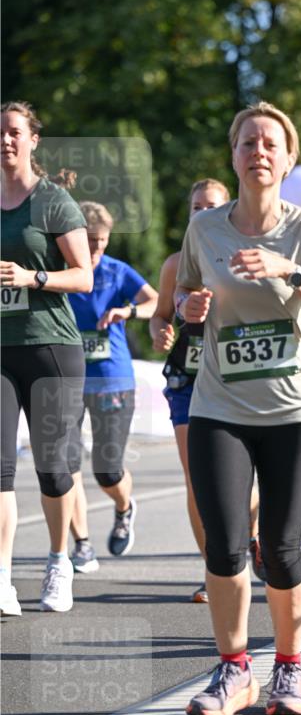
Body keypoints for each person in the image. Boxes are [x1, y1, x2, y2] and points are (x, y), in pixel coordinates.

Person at [176, 102, 301, 715]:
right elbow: (185, 290)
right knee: (225, 547)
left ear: (288, 159)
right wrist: (187, 309)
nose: (258, 151)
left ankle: (288, 669)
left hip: (294, 412)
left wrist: (292, 271)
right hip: (219, 405)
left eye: (270, 143)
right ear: (233, 155)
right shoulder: (206, 229)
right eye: (247, 142)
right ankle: (233, 672)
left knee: (279, 547)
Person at [1, 100, 92, 616]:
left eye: (14, 132)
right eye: (0, 133)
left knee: (55, 471)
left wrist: (31, 277)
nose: (6, 141)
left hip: (50, 347)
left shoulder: (52, 201)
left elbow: (84, 276)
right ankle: (2, 577)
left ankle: (59, 562)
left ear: (33, 139)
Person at [150, 178, 240, 602]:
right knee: (196, 479)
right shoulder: (174, 265)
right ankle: (213, 570)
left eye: (212, 206)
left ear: (227, 210)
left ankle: (250, 533)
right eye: (196, 207)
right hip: (187, 379)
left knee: (246, 480)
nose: (202, 214)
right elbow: (160, 315)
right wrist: (160, 331)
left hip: (235, 377)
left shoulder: (237, 259)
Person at [68, 202, 158, 571]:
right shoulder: (61, 271)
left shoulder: (116, 271)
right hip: (65, 379)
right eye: (89, 241)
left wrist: (128, 312)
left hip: (112, 379)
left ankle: (123, 506)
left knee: (106, 469)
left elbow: (153, 301)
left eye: (102, 242)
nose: (95, 250)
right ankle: (81, 544)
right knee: (63, 466)